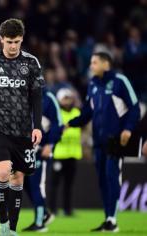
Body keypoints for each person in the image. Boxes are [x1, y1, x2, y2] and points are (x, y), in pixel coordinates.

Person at [0, 18, 44, 236]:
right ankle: (3, 224)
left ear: (22, 40)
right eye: (10, 41)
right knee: (3, 172)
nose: (13, 46)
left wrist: (37, 126)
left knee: (18, 178)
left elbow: (37, 97)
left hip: (23, 130)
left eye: (17, 42)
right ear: (1, 39)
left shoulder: (32, 63)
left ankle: (12, 228)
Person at [67, 52, 140, 232]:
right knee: (102, 180)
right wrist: (70, 123)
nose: (91, 66)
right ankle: (108, 218)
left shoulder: (120, 81)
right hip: (98, 142)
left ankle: (112, 220)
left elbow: (135, 107)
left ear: (106, 64)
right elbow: (86, 113)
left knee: (111, 176)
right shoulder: (93, 84)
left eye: (94, 62)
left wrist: (128, 129)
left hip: (116, 140)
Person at [23, 89, 62, 232]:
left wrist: (50, 144)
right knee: (25, 184)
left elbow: (58, 123)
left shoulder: (48, 97)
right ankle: (44, 213)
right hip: (24, 149)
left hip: (41, 151)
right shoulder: (20, 93)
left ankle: (40, 223)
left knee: (36, 185)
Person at [49, 88, 82, 216]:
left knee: (69, 185)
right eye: (65, 98)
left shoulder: (76, 112)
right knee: (54, 184)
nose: (67, 101)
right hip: (59, 154)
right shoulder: (56, 113)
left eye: (69, 98)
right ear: (59, 100)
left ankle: (68, 210)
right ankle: (52, 209)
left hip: (73, 154)